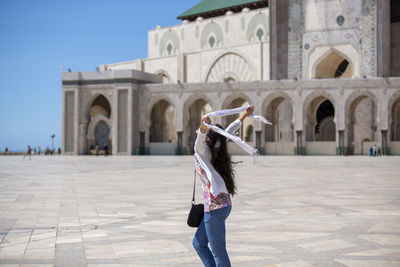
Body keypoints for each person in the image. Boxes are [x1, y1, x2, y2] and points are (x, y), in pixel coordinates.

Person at [192, 105, 254, 267]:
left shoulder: (203, 151)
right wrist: (242, 117)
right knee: (198, 244)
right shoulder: (213, 149)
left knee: (218, 251)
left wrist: (203, 127)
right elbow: (228, 132)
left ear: (207, 138)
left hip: (215, 207)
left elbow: (201, 138)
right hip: (219, 205)